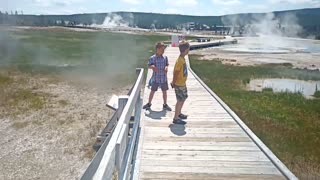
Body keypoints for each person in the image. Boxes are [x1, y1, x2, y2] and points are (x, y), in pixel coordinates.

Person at [143, 42, 172, 111]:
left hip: (163, 78)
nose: (163, 50)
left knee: (164, 91)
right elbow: (148, 65)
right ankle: (149, 103)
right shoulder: (152, 58)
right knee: (152, 91)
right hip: (156, 78)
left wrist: (166, 67)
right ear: (157, 49)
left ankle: (165, 104)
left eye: (164, 49)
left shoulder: (165, 57)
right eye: (162, 49)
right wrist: (152, 66)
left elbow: (167, 64)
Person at [170, 41, 190, 125]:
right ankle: (175, 118)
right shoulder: (179, 61)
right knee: (179, 100)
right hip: (178, 84)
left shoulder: (182, 59)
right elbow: (176, 73)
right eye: (188, 49)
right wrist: (173, 82)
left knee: (184, 97)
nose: (188, 51)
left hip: (182, 83)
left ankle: (179, 113)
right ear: (185, 50)